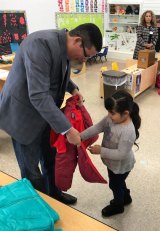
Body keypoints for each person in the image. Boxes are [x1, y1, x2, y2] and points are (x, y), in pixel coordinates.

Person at [0, 23, 102, 204]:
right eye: (87, 55)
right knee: (31, 171)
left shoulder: (63, 45)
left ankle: (54, 196)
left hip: (47, 115)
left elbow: (59, 71)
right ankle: (40, 208)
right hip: (23, 116)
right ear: (77, 41)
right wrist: (68, 129)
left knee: (51, 159)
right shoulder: (40, 44)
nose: (85, 60)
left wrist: (73, 88)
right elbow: (38, 95)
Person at [80, 90, 141, 216]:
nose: (108, 115)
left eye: (112, 113)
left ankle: (118, 206)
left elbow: (121, 154)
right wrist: (81, 136)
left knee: (114, 185)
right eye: (108, 112)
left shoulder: (128, 132)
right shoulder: (111, 119)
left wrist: (101, 151)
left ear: (125, 113)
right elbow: (97, 127)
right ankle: (126, 197)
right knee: (119, 182)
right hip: (112, 163)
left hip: (121, 166)